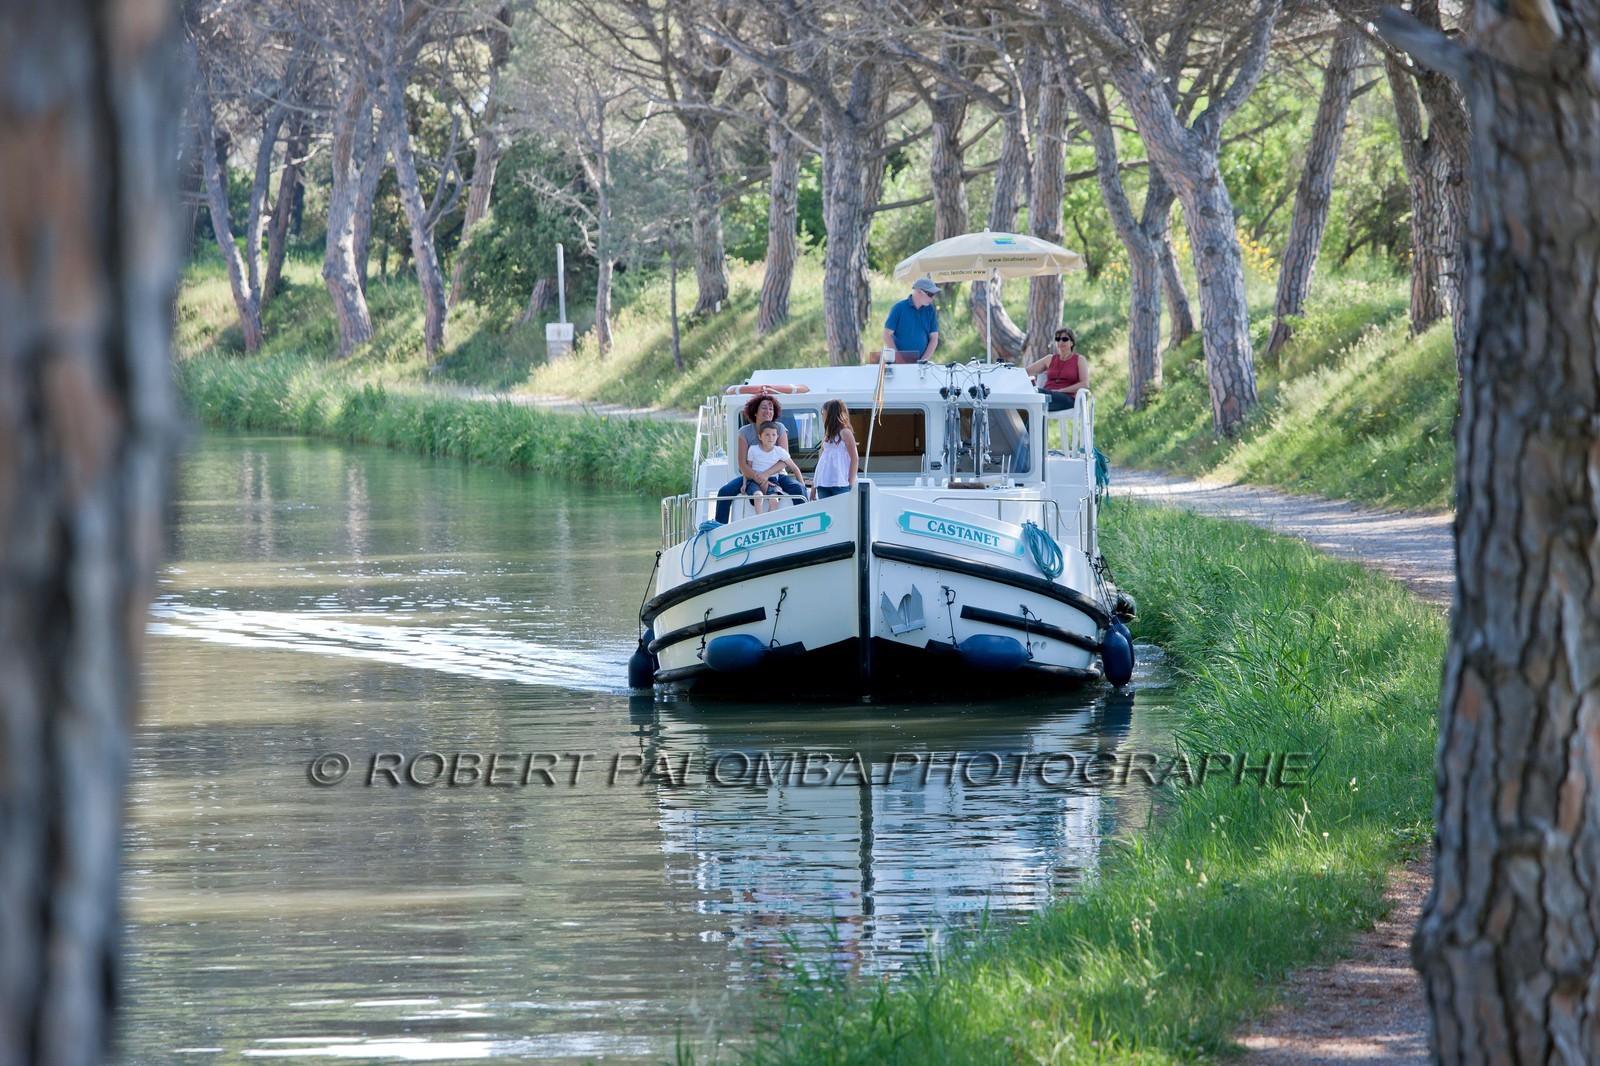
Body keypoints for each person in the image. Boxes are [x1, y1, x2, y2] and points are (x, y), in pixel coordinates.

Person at [713, 393, 807, 522]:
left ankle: (805, 522)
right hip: (752, 475)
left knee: (799, 488)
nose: (768, 411)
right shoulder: (744, 432)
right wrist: (758, 477)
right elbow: (742, 463)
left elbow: (784, 461)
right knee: (724, 491)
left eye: (771, 408)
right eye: (764, 408)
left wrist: (767, 474)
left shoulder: (779, 428)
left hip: (777, 474)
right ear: (755, 411)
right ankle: (718, 527)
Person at [872, 277, 941, 364]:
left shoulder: (930, 310)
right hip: (898, 362)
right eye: (930, 294)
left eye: (933, 295)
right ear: (919, 292)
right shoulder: (899, 308)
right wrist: (898, 358)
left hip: (921, 363)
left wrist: (922, 361)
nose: (932, 298)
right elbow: (886, 335)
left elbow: (934, 338)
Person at [744, 421, 805, 514]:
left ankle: (768, 522)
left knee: (774, 500)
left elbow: (795, 468)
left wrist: (803, 485)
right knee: (758, 496)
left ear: (777, 437)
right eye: (767, 435)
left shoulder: (780, 451)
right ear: (759, 436)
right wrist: (744, 484)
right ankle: (759, 522)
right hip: (754, 480)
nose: (771, 437)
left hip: (772, 480)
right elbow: (748, 469)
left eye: (773, 435)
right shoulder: (753, 449)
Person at [1024, 327, 1090, 411]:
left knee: (1036, 395)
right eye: (1058, 339)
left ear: (1072, 343)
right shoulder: (1049, 359)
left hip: (1067, 398)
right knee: (1029, 403)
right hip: (1045, 396)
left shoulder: (1079, 359)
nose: (1061, 342)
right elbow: (1026, 372)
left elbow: (1085, 384)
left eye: (1065, 339)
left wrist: (1061, 391)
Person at [812, 399, 858, 499]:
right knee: (826, 512)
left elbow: (855, 458)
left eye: (823, 413)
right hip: (823, 483)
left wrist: (850, 482)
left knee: (840, 512)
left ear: (830, 414)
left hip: (840, 483)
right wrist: (814, 484)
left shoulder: (845, 433)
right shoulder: (826, 435)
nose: (822, 417)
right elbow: (821, 461)